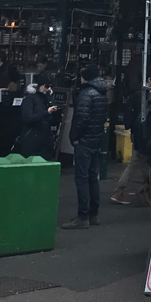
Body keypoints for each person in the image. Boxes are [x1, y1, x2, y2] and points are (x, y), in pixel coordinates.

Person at [62, 66, 108, 230]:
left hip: (84, 141)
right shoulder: (102, 93)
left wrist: (74, 137)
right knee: (92, 177)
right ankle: (93, 214)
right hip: (96, 139)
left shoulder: (86, 94)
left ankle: (83, 216)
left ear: (85, 77)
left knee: (81, 178)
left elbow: (80, 118)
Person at [112, 79, 151, 206]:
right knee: (138, 162)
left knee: (140, 162)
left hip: (137, 134)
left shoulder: (135, 95)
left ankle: (145, 190)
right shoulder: (147, 96)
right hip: (145, 135)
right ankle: (122, 189)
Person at [20, 73, 58, 158]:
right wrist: (46, 113)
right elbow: (27, 118)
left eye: (51, 87)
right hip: (31, 139)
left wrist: (56, 113)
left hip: (45, 139)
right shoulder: (30, 98)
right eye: (47, 86)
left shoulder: (49, 98)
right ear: (40, 85)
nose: (49, 89)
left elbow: (53, 121)